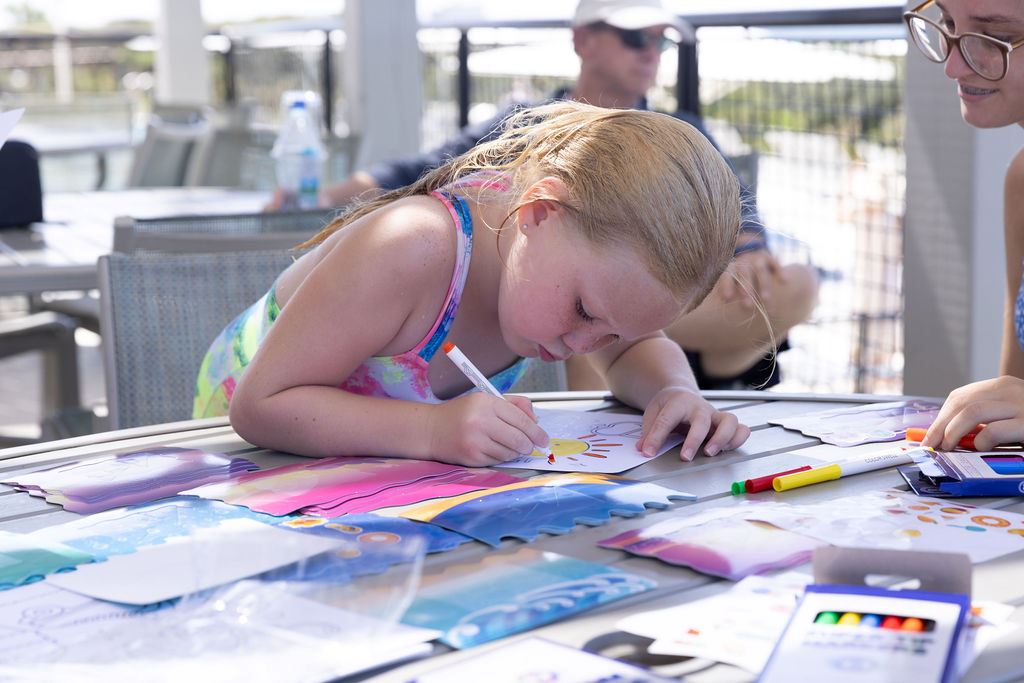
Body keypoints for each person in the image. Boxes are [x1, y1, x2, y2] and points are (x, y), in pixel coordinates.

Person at [270, 0, 819, 393]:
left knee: (797, 282)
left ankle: (706, 375)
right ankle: (716, 369)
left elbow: (735, 206)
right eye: (636, 38)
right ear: (583, 41)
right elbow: (422, 170)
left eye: (661, 41)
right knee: (590, 333)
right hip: (600, 295)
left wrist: (748, 248)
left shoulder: (681, 135)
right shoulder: (524, 131)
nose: (650, 53)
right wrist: (316, 191)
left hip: (648, 300)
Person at [195, 102, 751, 466]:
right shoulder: (411, 246)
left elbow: (637, 348)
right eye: (583, 310)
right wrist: (433, 432)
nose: (583, 347)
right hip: (248, 458)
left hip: (376, 475)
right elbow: (261, 407)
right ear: (538, 213)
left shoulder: (573, 271)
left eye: (611, 333)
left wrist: (675, 394)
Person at [904, 0, 1024, 451]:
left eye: (993, 37)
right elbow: (1011, 398)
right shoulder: (1021, 181)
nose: (953, 66)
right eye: (949, 24)